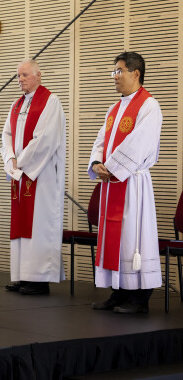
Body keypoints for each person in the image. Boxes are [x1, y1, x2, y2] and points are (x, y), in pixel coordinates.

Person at [89, 52, 162, 314]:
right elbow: (101, 140)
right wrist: (97, 163)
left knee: (134, 238)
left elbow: (139, 143)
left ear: (136, 73)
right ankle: (118, 292)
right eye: (114, 72)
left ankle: (139, 298)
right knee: (116, 240)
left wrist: (112, 167)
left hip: (133, 183)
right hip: (112, 183)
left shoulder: (149, 106)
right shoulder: (114, 108)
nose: (115, 77)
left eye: (119, 71)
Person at [0, 59, 66, 295]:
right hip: (20, 175)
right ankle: (23, 276)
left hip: (41, 176)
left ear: (38, 75)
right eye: (18, 76)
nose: (20, 80)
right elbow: (6, 135)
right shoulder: (16, 104)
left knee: (39, 226)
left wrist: (19, 163)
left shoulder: (50, 102)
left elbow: (45, 140)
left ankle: (39, 280)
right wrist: (10, 159)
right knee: (22, 225)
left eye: (25, 75)